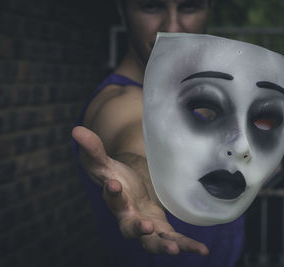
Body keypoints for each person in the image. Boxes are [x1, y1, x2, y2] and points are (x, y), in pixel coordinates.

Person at [71, 0, 244, 266]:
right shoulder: (120, 103)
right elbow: (136, 146)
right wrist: (138, 183)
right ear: (122, 10)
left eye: (189, 8)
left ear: (210, 8)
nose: (172, 27)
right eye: (151, 7)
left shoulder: (199, 97)